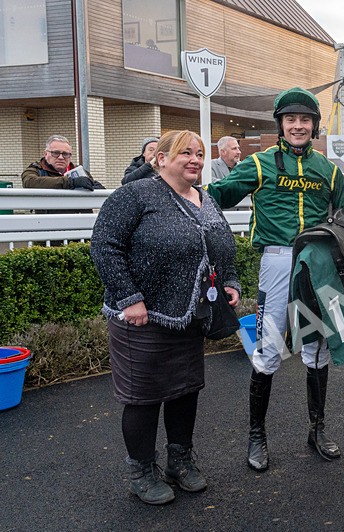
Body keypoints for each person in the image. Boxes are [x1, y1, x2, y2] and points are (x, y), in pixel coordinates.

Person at [90, 130, 241, 505]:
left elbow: (222, 247)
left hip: (189, 316)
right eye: (185, 153)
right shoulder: (135, 196)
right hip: (143, 318)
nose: (194, 159)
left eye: (200, 153)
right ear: (159, 158)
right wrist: (129, 297)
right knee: (143, 398)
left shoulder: (206, 199)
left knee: (185, 390)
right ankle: (141, 470)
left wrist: (231, 280)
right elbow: (104, 245)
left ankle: (180, 461)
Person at [206, 87, 344, 470]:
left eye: (305, 120)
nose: (298, 126)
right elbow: (214, 196)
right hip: (277, 262)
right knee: (269, 349)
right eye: (291, 120)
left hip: (317, 264)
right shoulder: (260, 164)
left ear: (315, 125)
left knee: (316, 349)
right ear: (281, 125)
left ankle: (317, 430)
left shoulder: (329, 170)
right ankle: (257, 436)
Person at [22, 134, 104, 191]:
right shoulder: (36, 170)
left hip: (79, 215)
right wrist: (70, 182)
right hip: (49, 215)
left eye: (65, 154)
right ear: (45, 154)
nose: (61, 157)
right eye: (56, 153)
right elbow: (29, 182)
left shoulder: (79, 171)